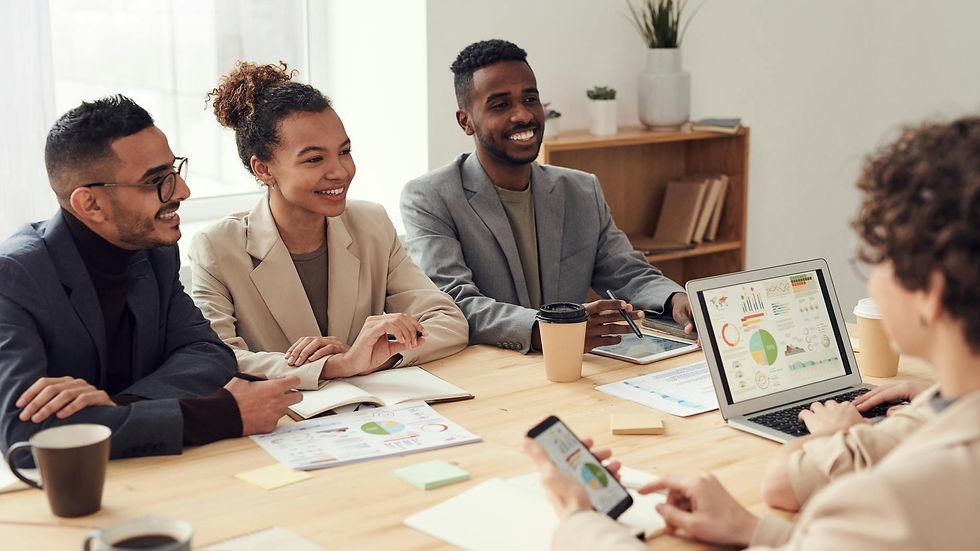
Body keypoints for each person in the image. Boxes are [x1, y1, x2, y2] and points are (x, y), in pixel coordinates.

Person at [525, 116, 980, 549]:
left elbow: (834, 510)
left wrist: (579, 520)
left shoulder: (883, 500)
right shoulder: (940, 427)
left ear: (930, 295)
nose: (874, 279)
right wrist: (751, 530)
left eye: (880, 259)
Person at [0, 95, 301, 463]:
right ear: (89, 204)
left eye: (174, 171)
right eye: (156, 181)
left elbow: (208, 354)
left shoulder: (155, 251)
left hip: (153, 470)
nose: (182, 191)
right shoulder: (13, 277)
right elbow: (23, 438)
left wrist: (115, 405)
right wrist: (217, 414)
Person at [400, 39, 693, 354]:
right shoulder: (430, 197)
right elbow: (454, 300)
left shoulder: (581, 190)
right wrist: (549, 331)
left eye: (530, 98)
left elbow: (626, 269)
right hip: (492, 374)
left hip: (575, 371)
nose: (522, 115)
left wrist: (676, 299)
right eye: (501, 105)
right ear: (466, 121)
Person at [189, 62, 468, 391]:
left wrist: (380, 355)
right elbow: (216, 358)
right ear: (263, 169)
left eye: (345, 151)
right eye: (314, 159)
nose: (340, 171)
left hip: (377, 414)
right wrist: (337, 366)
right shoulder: (217, 247)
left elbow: (448, 321)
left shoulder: (371, 224)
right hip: (283, 423)